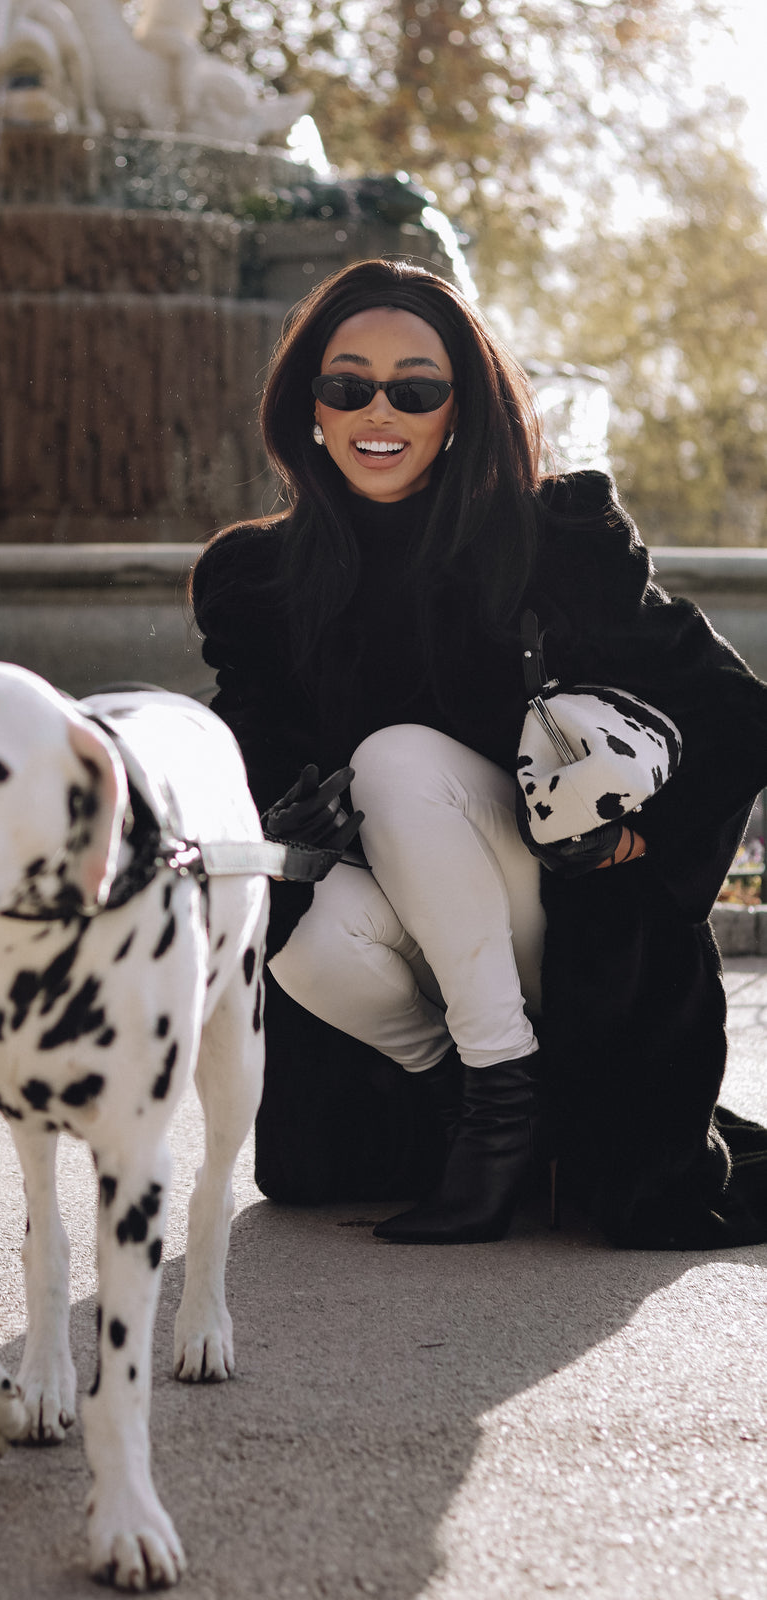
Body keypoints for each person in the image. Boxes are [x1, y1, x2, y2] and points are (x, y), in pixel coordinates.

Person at [189, 256, 767, 1250]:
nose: (379, 409)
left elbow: (731, 713)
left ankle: (502, 1106)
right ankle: (487, 1108)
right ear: (309, 407)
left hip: (554, 921)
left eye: (414, 387)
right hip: (406, 947)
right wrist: (272, 823)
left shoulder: (555, 535)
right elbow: (240, 764)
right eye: (346, 383)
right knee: (293, 920)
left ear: (458, 406)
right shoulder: (255, 578)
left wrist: (642, 841)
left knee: (397, 761)